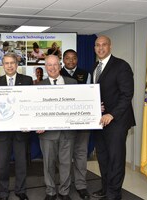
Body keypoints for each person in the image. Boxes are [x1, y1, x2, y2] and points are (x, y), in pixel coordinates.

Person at [91, 36, 135, 200]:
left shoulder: (121, 66)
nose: (100, 48)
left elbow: (127, 94)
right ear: (94, 48)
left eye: (104, 45)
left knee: (115, 159)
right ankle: (105, 188)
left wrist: (112, 114)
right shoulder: (95, 67)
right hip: (100, 122)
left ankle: (114, 194)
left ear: (110, 46)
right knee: (102, 157)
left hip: (117, 122)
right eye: (97, 45)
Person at [0, 53, 33, 200]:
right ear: (3, 65)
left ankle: (20, 190)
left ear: (17, 65)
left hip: (21, 130)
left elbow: (30, 103)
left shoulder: (27, 80)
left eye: (12, 63)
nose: (9, 66)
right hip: (2, 131)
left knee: (21, 163)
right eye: (6, 63)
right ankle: (3, 192)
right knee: (2, 164)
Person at [36, 55, 77, 200]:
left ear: (60, 66)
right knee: (48, 164)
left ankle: (64, 192)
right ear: (45, 67)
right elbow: (35, 110)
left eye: (55, 65)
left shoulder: (73, 83)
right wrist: (37, 124)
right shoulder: (39, 86)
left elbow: (78, 104)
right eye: (49, 65)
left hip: (67, 133)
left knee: (66, 164)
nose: (52, 68)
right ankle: (51, 191)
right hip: (47, 134)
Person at [61, 49, 91, 199]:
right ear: (63, 60)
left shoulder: (86, 74)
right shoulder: (56, 73)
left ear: (77, 59)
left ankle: (81, 185)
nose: (71, 61)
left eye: (73, 58)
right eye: (68, 58)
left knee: (80, 154)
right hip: (64, 124)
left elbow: (90, 95)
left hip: (82, 122)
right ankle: (64, 187)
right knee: (65, 158)